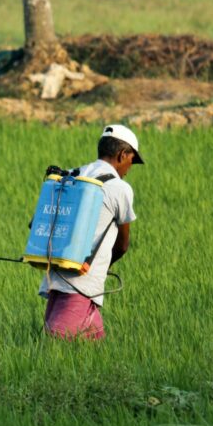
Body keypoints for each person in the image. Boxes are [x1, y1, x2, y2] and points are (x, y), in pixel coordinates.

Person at [39, 125, 143, 341]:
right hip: (82, 284)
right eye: (131, 160)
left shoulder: (72, 174)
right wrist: (103, 268)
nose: (129, 168)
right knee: (55, 345)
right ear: (122, 155)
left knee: (93, 348)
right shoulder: (119, 188)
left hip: (56, 275)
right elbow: (123, 245)